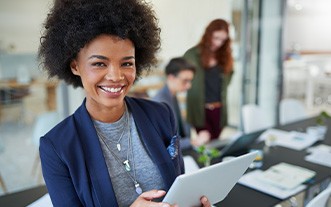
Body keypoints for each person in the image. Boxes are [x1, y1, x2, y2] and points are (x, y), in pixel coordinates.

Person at [38, 0, 211, 206]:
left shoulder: (161, 114)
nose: (116, 76)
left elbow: (179, 185)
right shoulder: (57, 147)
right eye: (99, 63)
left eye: (127, 63)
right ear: (75, 66)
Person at [183, 19, 234, 141]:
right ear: (208, 34)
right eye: (216, 37)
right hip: (200, 109)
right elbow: (184, 77)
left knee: (215, 144)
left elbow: (230, 75)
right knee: (205, 142)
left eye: (223, 40)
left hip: (219, 110)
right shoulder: (191, 54)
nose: (218, 43)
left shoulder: (226, 56)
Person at [152, 57, 210, 149]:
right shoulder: (160, 103)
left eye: (190, 81)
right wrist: (195, 141)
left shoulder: (172, 95)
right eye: (185, 81)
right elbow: (165, 143)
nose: (189, 85)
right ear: (171, 77)